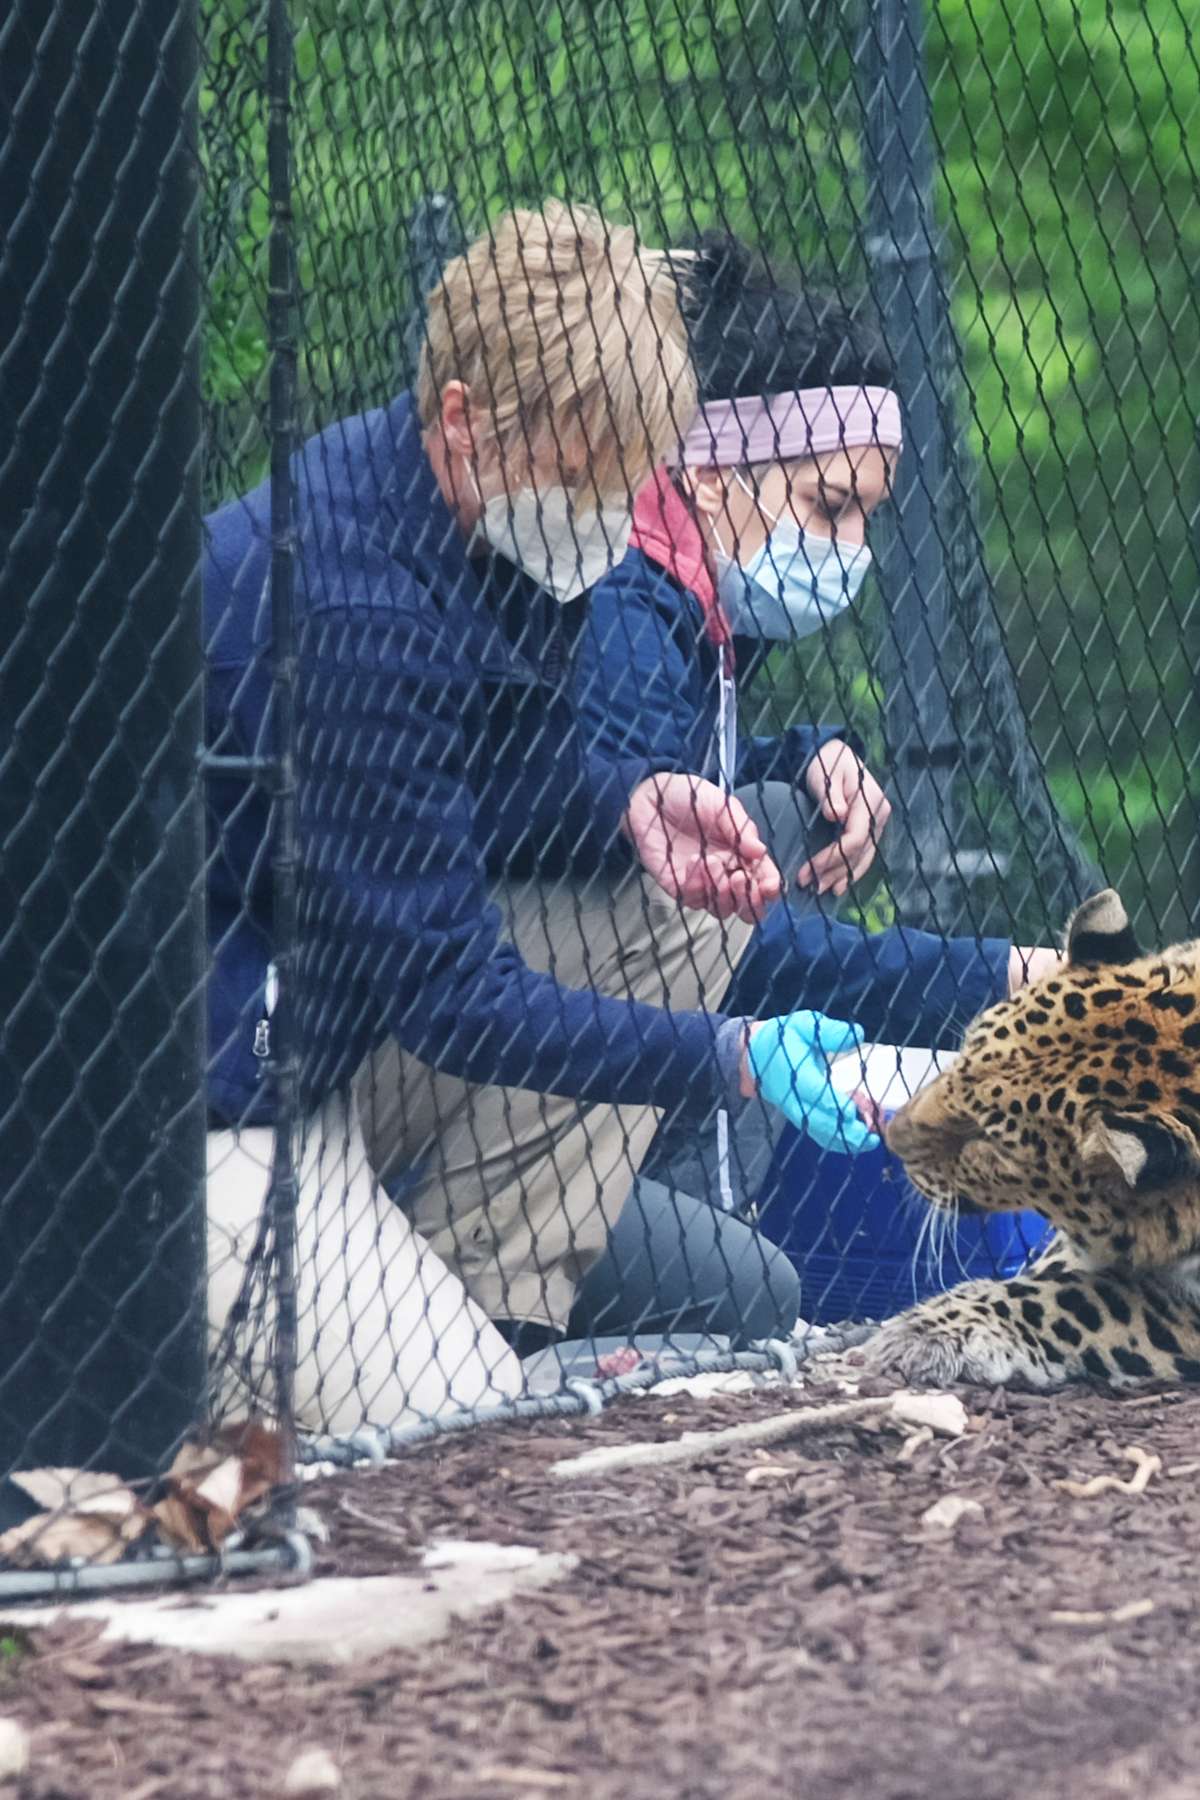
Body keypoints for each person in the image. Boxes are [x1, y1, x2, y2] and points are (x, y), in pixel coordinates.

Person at [201, 202, 880, 1436]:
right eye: (586, 478)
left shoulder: (492, 525)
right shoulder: (355, 607)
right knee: (450, 1415)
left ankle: (475, 1305)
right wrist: (732, 1059)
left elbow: (500, 796)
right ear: (464, 419)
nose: (613, 522)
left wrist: (628, 803)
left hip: (321, 1038)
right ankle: (385, 1344)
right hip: (189, 1103)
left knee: (687, 908)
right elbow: (454, 997)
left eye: (630, 480)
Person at [575, 233, 1055, 1312]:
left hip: (622, 1015)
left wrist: (807, 754)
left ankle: (704, 1193)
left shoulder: (694, 604)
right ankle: (671, 1206)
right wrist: (991, 981)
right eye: (830, 505)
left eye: (867, 517)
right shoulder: (624, 618)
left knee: (783, 811)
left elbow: (676, 777)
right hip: (541, 1080)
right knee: (752, 1302)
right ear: (710, 470)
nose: (851, 548)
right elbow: (703, 939)